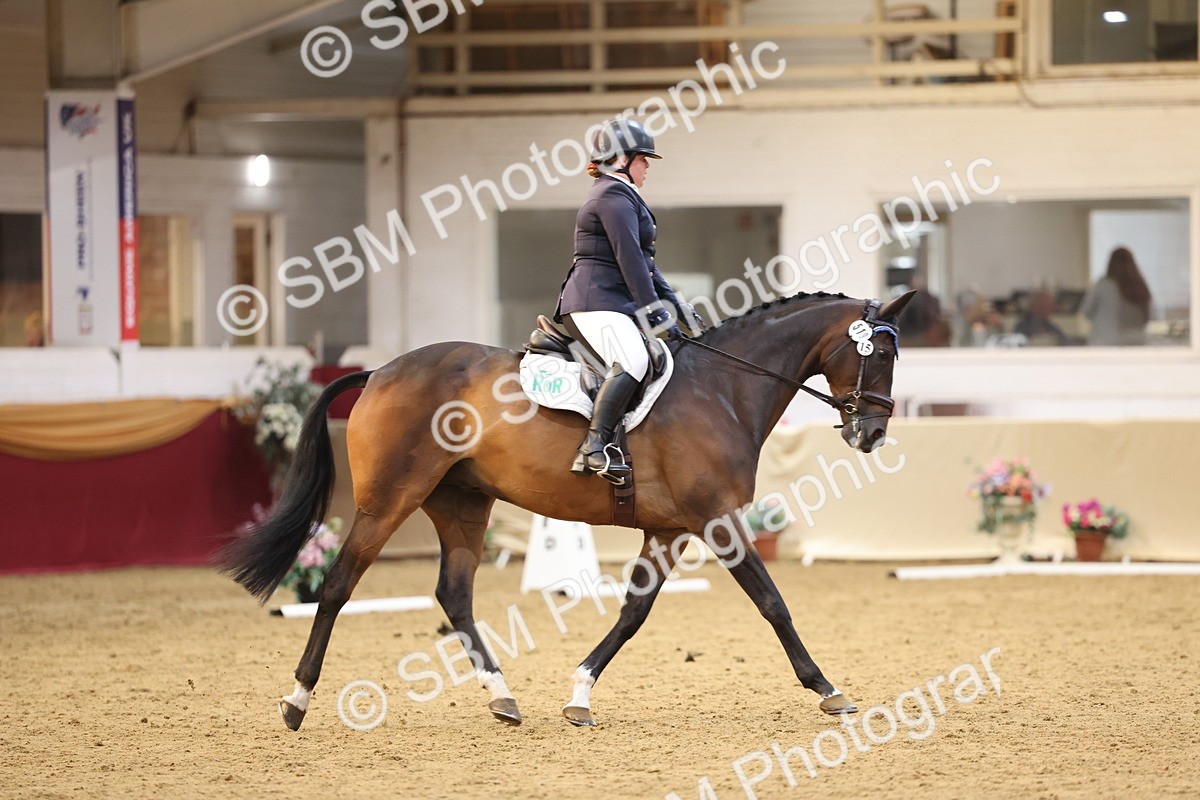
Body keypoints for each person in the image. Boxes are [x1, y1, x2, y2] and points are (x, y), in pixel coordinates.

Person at [553, 118, 702, 484]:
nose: (647, 166)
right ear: (621, 159)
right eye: (643, 158)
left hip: (610, 303)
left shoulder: (621, 195)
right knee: (634, 360)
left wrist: (676, 303)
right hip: (593, 302)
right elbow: (630, 261)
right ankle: (594, 446)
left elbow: (645, 263)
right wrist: (656, 313)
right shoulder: (611, 197)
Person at [1082, 247, 1151, 346]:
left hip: (1105, 342)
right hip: (1136, 343)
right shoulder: (1140, 287)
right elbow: (1148, 317)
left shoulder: (1103, 285)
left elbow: (1086, 310)